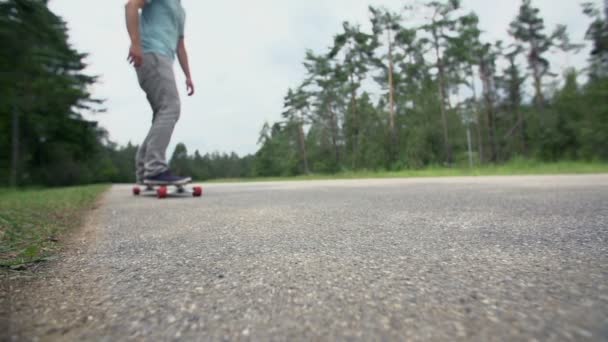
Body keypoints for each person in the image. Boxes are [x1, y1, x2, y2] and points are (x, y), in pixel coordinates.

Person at [125, 0, 194, 185]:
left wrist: (188, 76)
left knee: (162, 113)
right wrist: (135, 43)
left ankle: (144, 170)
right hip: (151, 53)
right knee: (171, 107)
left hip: (164, 59)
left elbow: (180, 46)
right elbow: (131, 5)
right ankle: (155, 169)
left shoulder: (181, 11)